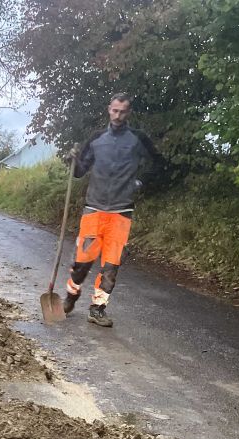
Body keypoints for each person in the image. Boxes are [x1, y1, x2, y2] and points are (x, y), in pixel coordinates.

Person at [64, 93, 163, 327]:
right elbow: (79, 172)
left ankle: (97, 309)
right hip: (94, 209)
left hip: (121, 212)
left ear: (129, 113)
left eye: (123, 112)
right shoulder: (97, 138)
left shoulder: (138, 139)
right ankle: (71, 297)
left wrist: (139, 182)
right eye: (115, 111)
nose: (118, 116)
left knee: (111, 266)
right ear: (109, 109)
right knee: (82, 263)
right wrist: (73, 161)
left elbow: (158, 163)